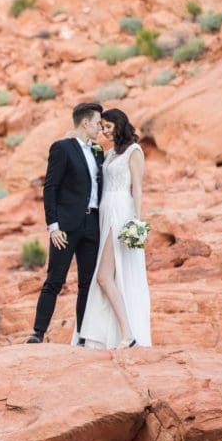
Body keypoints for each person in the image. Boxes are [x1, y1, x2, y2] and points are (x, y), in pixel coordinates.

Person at [25, 102, 104, 345]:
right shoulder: (62, 148)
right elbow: (50, 188)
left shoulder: (98, 151)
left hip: (93, 224)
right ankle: (37, 333)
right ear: (85, 123)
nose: (101, 128)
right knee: (54, 280)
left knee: (87, 284)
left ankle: (81, 336)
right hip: (66, 226)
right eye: (98, 123)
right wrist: (53, 226)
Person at [77, 108, 152, 348]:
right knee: (108, 276)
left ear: (120, 125)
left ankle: (128, 333)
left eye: (109, 127)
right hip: (105, 210)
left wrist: (137, 222)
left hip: (121, 212)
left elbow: (137, 188)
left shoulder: (134, 151)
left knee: (103, 277)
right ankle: (110, 333)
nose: (106, 131)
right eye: (103, 127)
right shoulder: (107, 154)